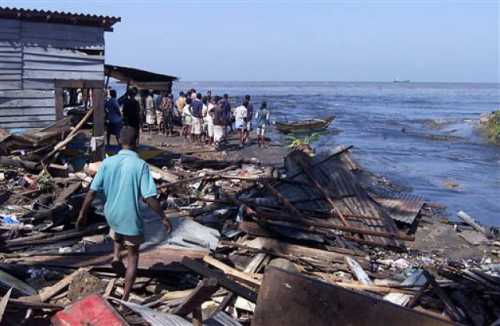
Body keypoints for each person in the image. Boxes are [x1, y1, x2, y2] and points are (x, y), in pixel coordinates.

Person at [76, 126, 172, 301]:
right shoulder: (140, 165)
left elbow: (92, 191)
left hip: (111, 214)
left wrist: (82, 214)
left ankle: (115, 256)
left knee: (117, 228)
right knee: (133, 256)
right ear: (136, 142)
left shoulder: (108, 162)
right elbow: (149, 197)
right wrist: (163, 217)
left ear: (119, 141)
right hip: (128, 217)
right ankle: (125, 298)